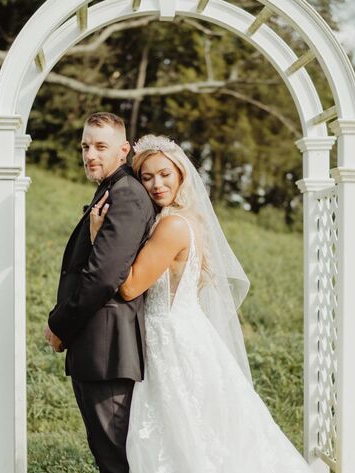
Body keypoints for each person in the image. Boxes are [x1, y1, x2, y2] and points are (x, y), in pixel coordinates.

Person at [89, 134, 315, 472]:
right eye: (147, 177)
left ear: (181, 174)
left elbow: (131, 286)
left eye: (165, 174)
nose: (156, 184)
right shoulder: (185, 219)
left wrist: (100, 239)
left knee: (185, 433)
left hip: (170, 339)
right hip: (186, 330)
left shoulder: (171, 226)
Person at [45, 113, 156, 473]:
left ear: (123, 150)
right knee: (107, 454)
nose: (90, 154)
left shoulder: (127, 195)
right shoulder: (112, 189)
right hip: (98, 349)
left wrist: (60, 324)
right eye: (85, 146)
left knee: (116, 459)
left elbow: (104, 276)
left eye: (100, 146)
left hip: (108, 351)